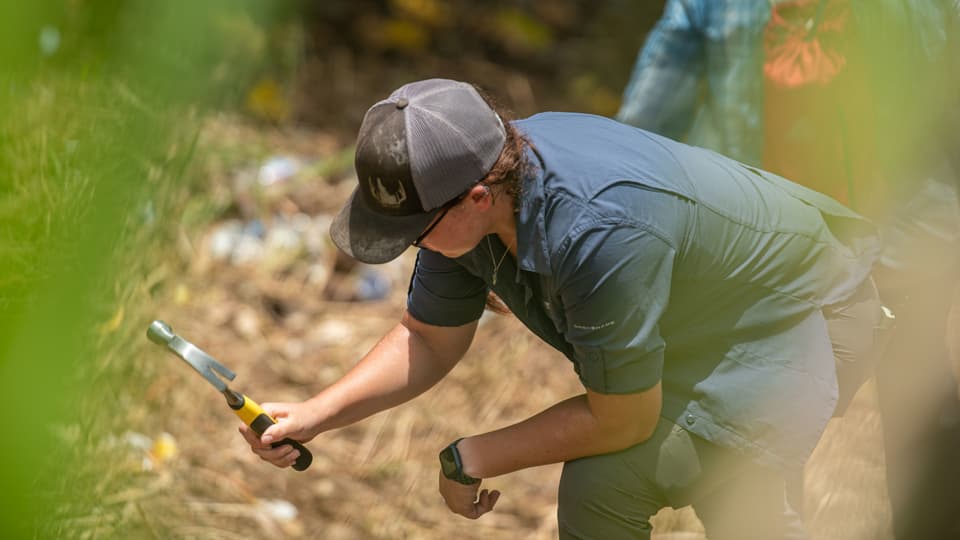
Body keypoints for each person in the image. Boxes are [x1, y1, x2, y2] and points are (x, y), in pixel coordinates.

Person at [239, 78, 886, 539]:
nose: (411, 246)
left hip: (795, 315)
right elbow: (429, 339)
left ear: (475, 199)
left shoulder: (599, 230)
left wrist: (471, 456)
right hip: (699, 320)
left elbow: (624, 419)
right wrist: (315, 415)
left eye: (415, 230)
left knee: (642, 485)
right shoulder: (467, 195)